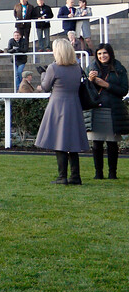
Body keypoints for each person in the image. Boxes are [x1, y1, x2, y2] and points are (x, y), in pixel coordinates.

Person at [34, 38, 89, 185]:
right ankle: (75, 176)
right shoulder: (77, 67)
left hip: (58, 105)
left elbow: (45, 87)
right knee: (73, 141)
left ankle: (62, 176)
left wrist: (43, 74)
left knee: (60, 141)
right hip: (74, 105)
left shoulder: (53, 67)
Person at [86, 43, 129, 179]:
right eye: (99, 54)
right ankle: (98, 173)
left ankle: (112, 173)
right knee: (97, 143)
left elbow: (123, 90)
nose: (102, 56)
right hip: (96, 109)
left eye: (105, 53)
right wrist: (90, 81)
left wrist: (106, 85)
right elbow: (85, 89)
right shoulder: (91, 68)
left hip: (112, 110)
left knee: (112, 143)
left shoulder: (119, 68)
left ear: (110, 54)